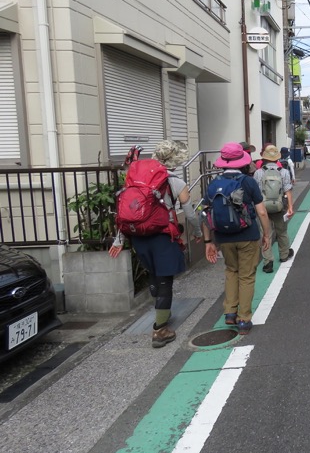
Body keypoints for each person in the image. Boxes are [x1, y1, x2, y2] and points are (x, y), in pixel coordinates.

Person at [109, 140, 202, 348]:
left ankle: (162, 312)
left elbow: (128, 210)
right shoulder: (176, 183)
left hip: (139, 237)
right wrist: (197, 232)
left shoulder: (136, 180)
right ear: (175, 161)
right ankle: (160, 330)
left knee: (153, 275)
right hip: (162, 236)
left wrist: (119, 239)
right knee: (164, 282)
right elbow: (190, 214)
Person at [200, 142, 272, 335]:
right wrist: (267, 234)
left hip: (224, 237)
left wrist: (209, 242)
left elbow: (205, 214)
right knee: (246, 276)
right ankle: (244, 319)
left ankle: (230, 313)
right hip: (248, 236)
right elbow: (262, 212)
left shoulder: (213, 184)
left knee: (231, 270)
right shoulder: (248, 182)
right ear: (242, 161)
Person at [254, 144, 295, 273]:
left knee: (266, 234)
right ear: (277, 158)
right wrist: (290, 207)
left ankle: (268, 263)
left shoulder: (258, 173)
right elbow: (288, 190)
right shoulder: (283, 171)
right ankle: (284, 255)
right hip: (279, 207)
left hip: (263, 208)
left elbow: (255, 192)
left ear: (264, 158)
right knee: (281, 232)